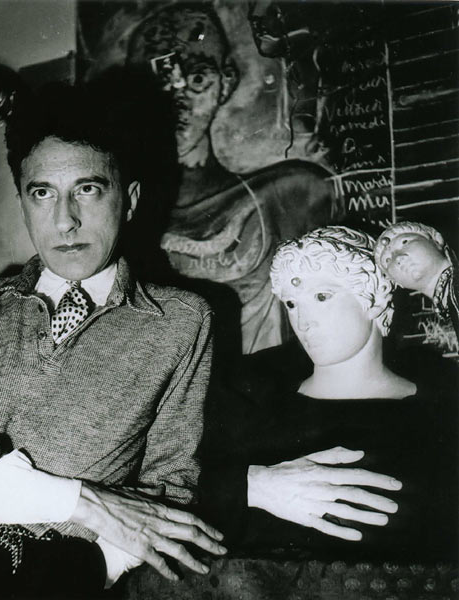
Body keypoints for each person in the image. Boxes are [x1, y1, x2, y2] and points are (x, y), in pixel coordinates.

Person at [0, 84, 226, 600]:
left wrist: (87, 571)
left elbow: (165, 493)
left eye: (88, 189)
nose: (64, 220)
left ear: (129, 200)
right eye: (42, 193)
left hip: (58, 576)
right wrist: (76, 501)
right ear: (23, 203)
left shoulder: (180, 322)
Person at [201, 226, 457, 560]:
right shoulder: (245, 397)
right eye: (291, 303)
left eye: (322, 297)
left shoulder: (442, 403)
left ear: (374, 298)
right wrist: (247, 487)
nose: (303, 322)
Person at [125, 3, 337, 354]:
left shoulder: (292, 194)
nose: (177, 103)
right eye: (158, 85)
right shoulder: (122, 220)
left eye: (197, 79)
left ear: (226, 81)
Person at [375, 220, 459, 340]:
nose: (398, 258)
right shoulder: (449, 301)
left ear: (436, 240)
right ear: (397, 282)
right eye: (388, 260)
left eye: (405, 242)